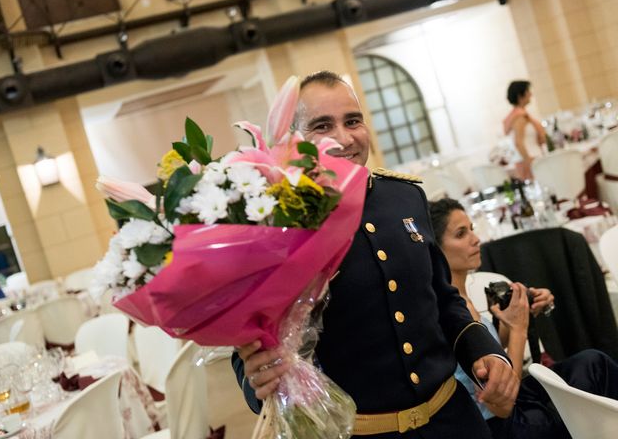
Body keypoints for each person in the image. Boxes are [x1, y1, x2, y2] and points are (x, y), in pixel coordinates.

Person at [232, 71, 519, 438]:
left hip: (454, 420)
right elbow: (251, 338)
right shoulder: (276, 221)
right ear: (294, 140)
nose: (344, 137)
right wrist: (257, 379)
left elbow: (443, 298)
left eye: (353, 121)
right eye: (323, 125)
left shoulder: (404, 197)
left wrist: (486, 352)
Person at [429, 197, 618, 439]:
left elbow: (488, 360)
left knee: (592, 363)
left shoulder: (459, 296)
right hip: (502, 427)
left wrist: (516, 317)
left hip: (511, 408)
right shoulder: (453, 310)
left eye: (472, 230)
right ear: (436, 250)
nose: (476, 240)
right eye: (460, 234)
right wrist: (519, 329)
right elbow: (502, 403)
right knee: (595, 370)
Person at [502, 81, 546, 180]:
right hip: (529, 160)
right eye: (528, 91)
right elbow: (518, 143)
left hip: (533, 157)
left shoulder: (520, 115)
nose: (531, 94)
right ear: (520, 95)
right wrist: (529, 162)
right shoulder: (519, 117)